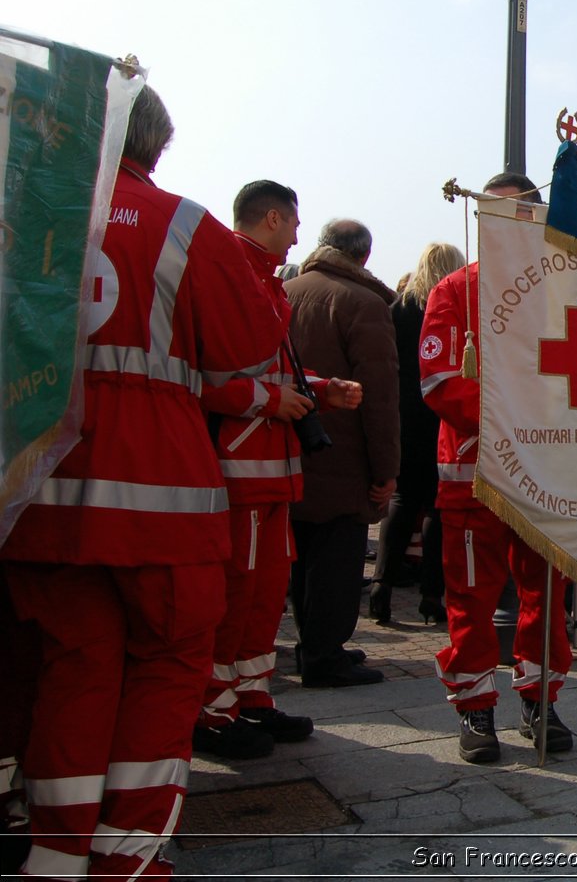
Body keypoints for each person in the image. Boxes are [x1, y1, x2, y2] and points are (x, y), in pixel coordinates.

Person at [0, 85, 282, 878]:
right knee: (165, 674)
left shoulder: (27, 219)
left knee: (71, 672)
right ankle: (127, 862)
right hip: (160, 498)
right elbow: (244, 352)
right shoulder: (185, 226)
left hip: (43, 494)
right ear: (157, 144)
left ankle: (54, 855)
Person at [193, 182, 364, 761]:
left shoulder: (264, 279)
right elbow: (200, 371)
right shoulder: (228, 272)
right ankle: (214, 710)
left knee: (265, 593)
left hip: (270, 470)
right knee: (236, 593)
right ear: (271, 218)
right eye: (293, 222)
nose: (298, 234)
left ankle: (252, 697)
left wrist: (319, 389)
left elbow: (267, 367)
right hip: (239, 467)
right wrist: (271, 402)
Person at [420, 172, 577, 764]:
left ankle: (541, 700)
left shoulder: (567, 290)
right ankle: (476, 710)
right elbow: (438, 384)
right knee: (471, 600)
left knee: (546, 598)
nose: (502, 223)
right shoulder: (453, 291)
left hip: (544, 476)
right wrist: (516, 423)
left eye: (514, 213)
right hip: (473, 477)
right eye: (493, 212)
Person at [285, 220, 400, 687]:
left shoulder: (287, 292)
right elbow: (379, 396)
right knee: (336, 560)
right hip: (345, 454)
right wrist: (387, 468)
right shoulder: (365, 303)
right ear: (364, 257)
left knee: (301, 553)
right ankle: (323, 654)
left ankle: (311, 642)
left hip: (291, 444)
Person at [370, 242, 465, 626]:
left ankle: (381, 587)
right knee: (436, 510)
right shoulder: (453, 308)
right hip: (440, 419)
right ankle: (431, 595)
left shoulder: (397, 311)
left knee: (401, 503)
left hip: (403, 419)